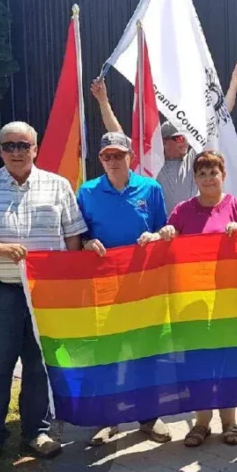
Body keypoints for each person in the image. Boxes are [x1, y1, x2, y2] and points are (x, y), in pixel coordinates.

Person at [0, 121, 87, 466]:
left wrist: (68, 282)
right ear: (0, 150)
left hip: (46, 294)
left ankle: (36, 432)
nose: (16, 151)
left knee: (39, 366)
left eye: (23, 145)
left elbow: (73, 237)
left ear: (35, 148)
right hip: (1, 292)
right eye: (9, 145)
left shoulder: (58, 186)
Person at [76, 131, 171, 445]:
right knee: (108, 353)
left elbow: (163, 230)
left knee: (147, 353)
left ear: (130, 156)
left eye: (119, 155)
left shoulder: (151, 188)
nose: (113, 161)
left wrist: (156, 237)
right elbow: (77, 236)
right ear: (100, 159)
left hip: (144, 284)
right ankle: (109, 418)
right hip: (104, 285)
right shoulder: (87, 191)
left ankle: (149, 417)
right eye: (107, 156)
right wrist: (87, 242)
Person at [154, 150, 237, 448]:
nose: (208, 178)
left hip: (229, 299)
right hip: (193, 301)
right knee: (198, 362)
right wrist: (165, 232)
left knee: (228, 360)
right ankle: (202, 422)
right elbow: (165, 243)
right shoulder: (183, 210)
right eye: (202, 173)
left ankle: (230, 422)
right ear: (195, 178)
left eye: (214, 172)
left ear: (224, 175)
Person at [90, 61, 237, 215]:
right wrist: (103, 101)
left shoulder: (194, 158)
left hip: (191, 227)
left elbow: (219, 120)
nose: (185, 142)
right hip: (163, 230)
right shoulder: (151, 159)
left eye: (187, 137)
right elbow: (118, 135)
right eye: (179, 138)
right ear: (164, 142)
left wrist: (234, 84)